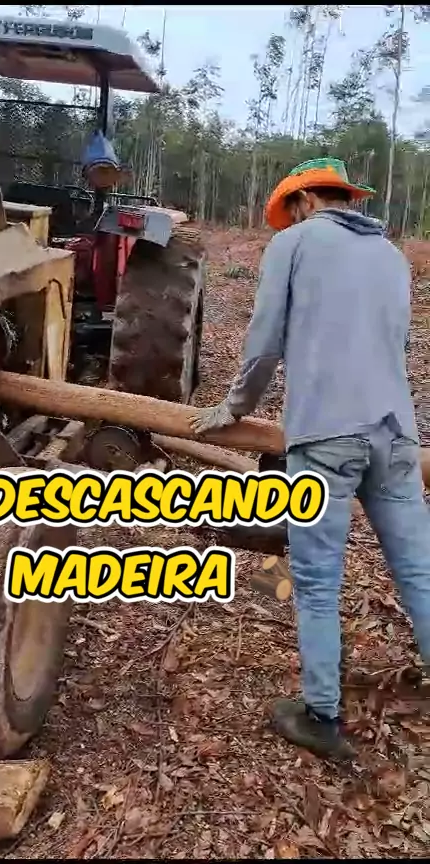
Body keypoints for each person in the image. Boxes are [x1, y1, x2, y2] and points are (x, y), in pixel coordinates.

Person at [188, 157, 430, 762]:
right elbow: (394, 346)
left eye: (289, 211)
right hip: (397, 433)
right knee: (419, 570)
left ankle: (321, 715)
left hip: (327, 436)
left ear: (304, 202)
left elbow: (264, 341)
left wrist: (233, 406)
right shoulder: (393, 257)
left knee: (318, 581)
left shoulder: (293, 245)